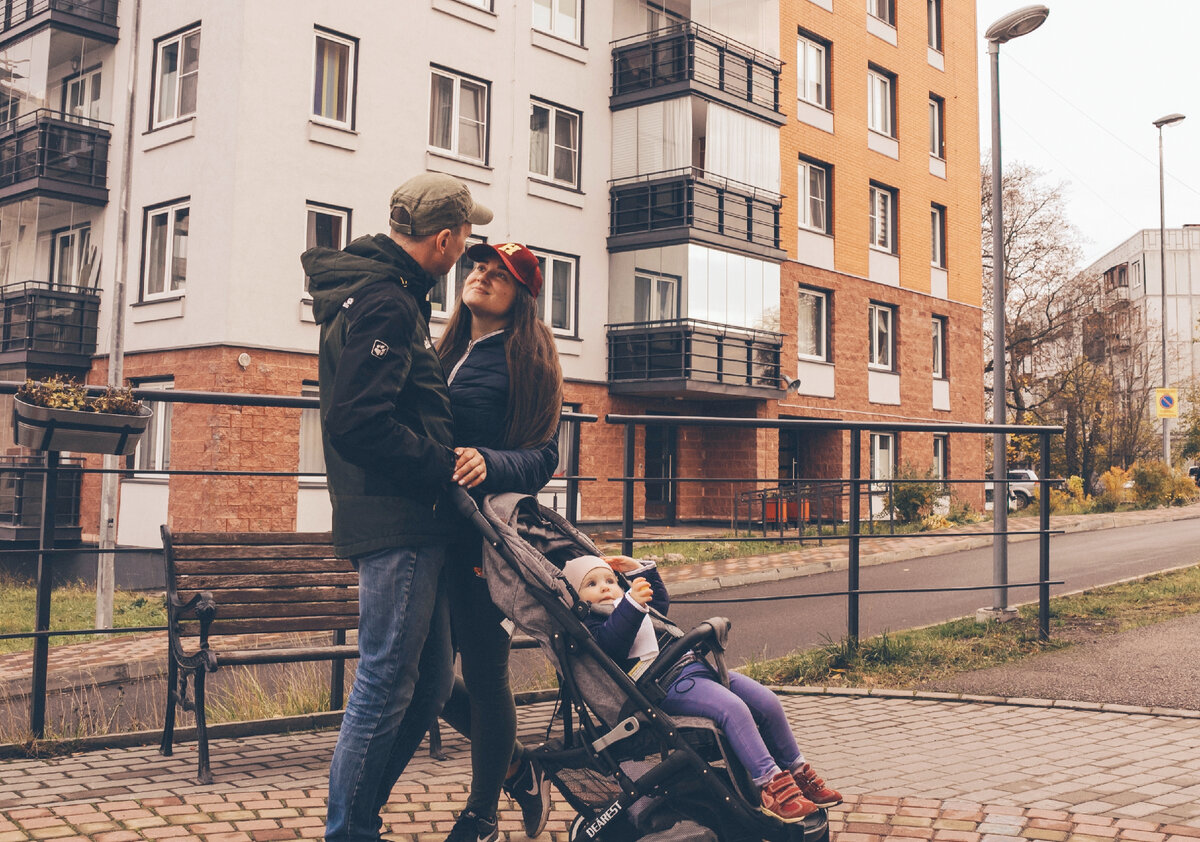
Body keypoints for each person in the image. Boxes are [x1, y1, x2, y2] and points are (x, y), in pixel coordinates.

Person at [302, 172, 492, 842]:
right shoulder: (385, 302)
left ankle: (359, 816)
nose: (467, 249)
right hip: (398, 522)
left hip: (412, 519)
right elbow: (357, 422)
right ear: (443, 240)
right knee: (385, 683)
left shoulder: (392, 295)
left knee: (432, 683)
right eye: (466, 237)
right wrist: (442, 464)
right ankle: (349, 830)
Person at [436, 242, 564, 842]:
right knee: (417, 675)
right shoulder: (445, 349)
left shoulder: (527, 359)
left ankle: (481, 815)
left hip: (484, 542)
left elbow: (544, 456)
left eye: (500, 275)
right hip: (427, 532)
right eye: (479, 267)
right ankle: (518, 762)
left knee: (486, 676)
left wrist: (491, 463)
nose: (482, 277)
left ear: (522, 296)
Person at [562, 555, 843, 823]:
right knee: (733, 710)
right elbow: (613, 643)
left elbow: (658, 602)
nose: (605, 588)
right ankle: (770, 785)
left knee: (767, 702)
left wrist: (638, 570)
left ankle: (797, 771)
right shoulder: (593, 626)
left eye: (610, 580)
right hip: (666, 684)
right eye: (592, 584)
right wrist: (631, 605)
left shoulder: (627, 604)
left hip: (694, 667)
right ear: (577, 599)